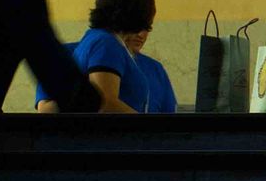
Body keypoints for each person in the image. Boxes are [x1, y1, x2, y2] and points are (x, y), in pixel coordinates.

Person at [35, 0, 156, 114]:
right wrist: (148, 127)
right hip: (110, 135)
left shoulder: (95, 40)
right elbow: (105, 104)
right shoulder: (106, 43)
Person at [36, 17, 176, 114]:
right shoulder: (66, 55)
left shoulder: (155, 69)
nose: (140, 34)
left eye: (146, 28)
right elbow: (45, 109)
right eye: (135, 25)